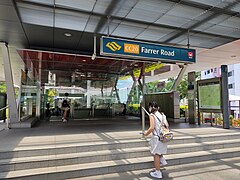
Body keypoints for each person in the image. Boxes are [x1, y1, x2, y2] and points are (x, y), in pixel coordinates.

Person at [143, 101, 169, 179]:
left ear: (151, 107)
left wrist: (145, 134)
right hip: (163, 137)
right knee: (159, 152)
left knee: (156, 154)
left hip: (157, 137)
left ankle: (158, 172)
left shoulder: (152, 115)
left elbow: (151, 128)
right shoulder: (162, 115)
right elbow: (167, 125)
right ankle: (162, 159)